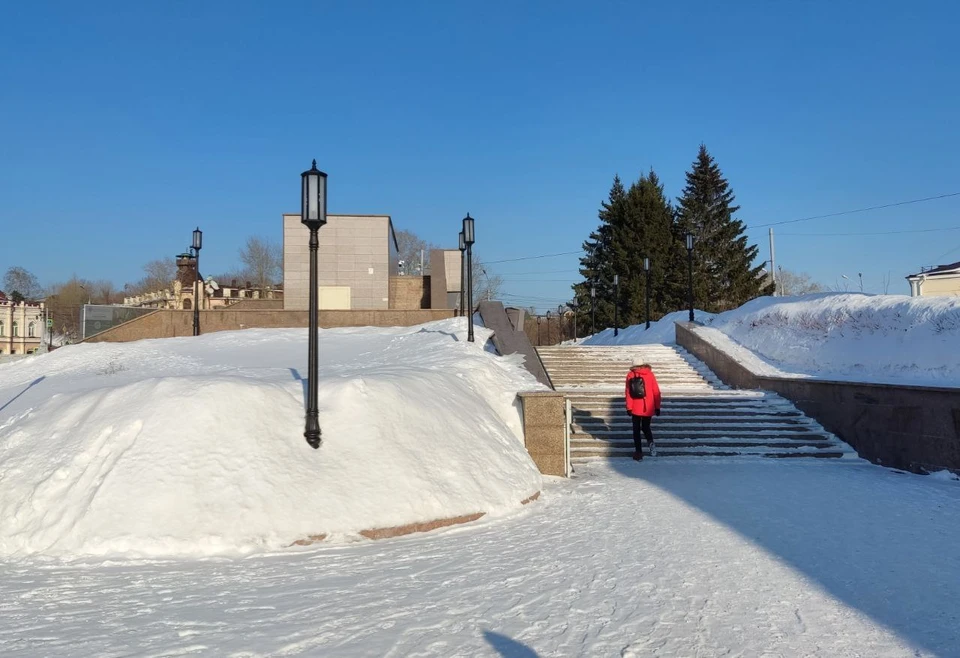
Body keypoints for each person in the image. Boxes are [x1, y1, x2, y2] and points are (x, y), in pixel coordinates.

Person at [625, 358, 662, 461]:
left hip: (635, 406)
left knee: (636, 430)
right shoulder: (650, 374)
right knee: (646, 427)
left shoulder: (630, 375)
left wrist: (629, 407)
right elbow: (656, 391)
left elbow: (628, 392)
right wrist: (657, 406)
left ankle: (638, 452)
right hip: (648, 406)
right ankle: (651, 443)